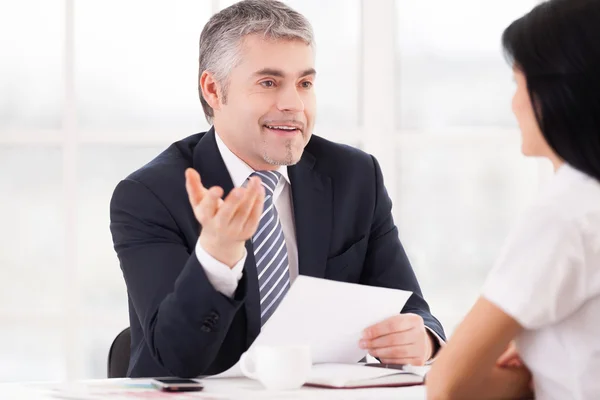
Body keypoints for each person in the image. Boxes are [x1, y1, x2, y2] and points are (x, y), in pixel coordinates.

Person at [109, 0, 445, 378]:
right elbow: (172, 362)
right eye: (269, 83)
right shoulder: (149, 196)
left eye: (305, 83)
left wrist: (424, 339)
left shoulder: (354, 176)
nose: (294, 104)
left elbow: (412, 309)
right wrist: (218, 257)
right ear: (214, 90)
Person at [426, 0, 600, 399]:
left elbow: (448, 385)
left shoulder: (567, 211)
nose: (513, 103)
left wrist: (529, 374)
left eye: (517, 83)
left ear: (555, 93)